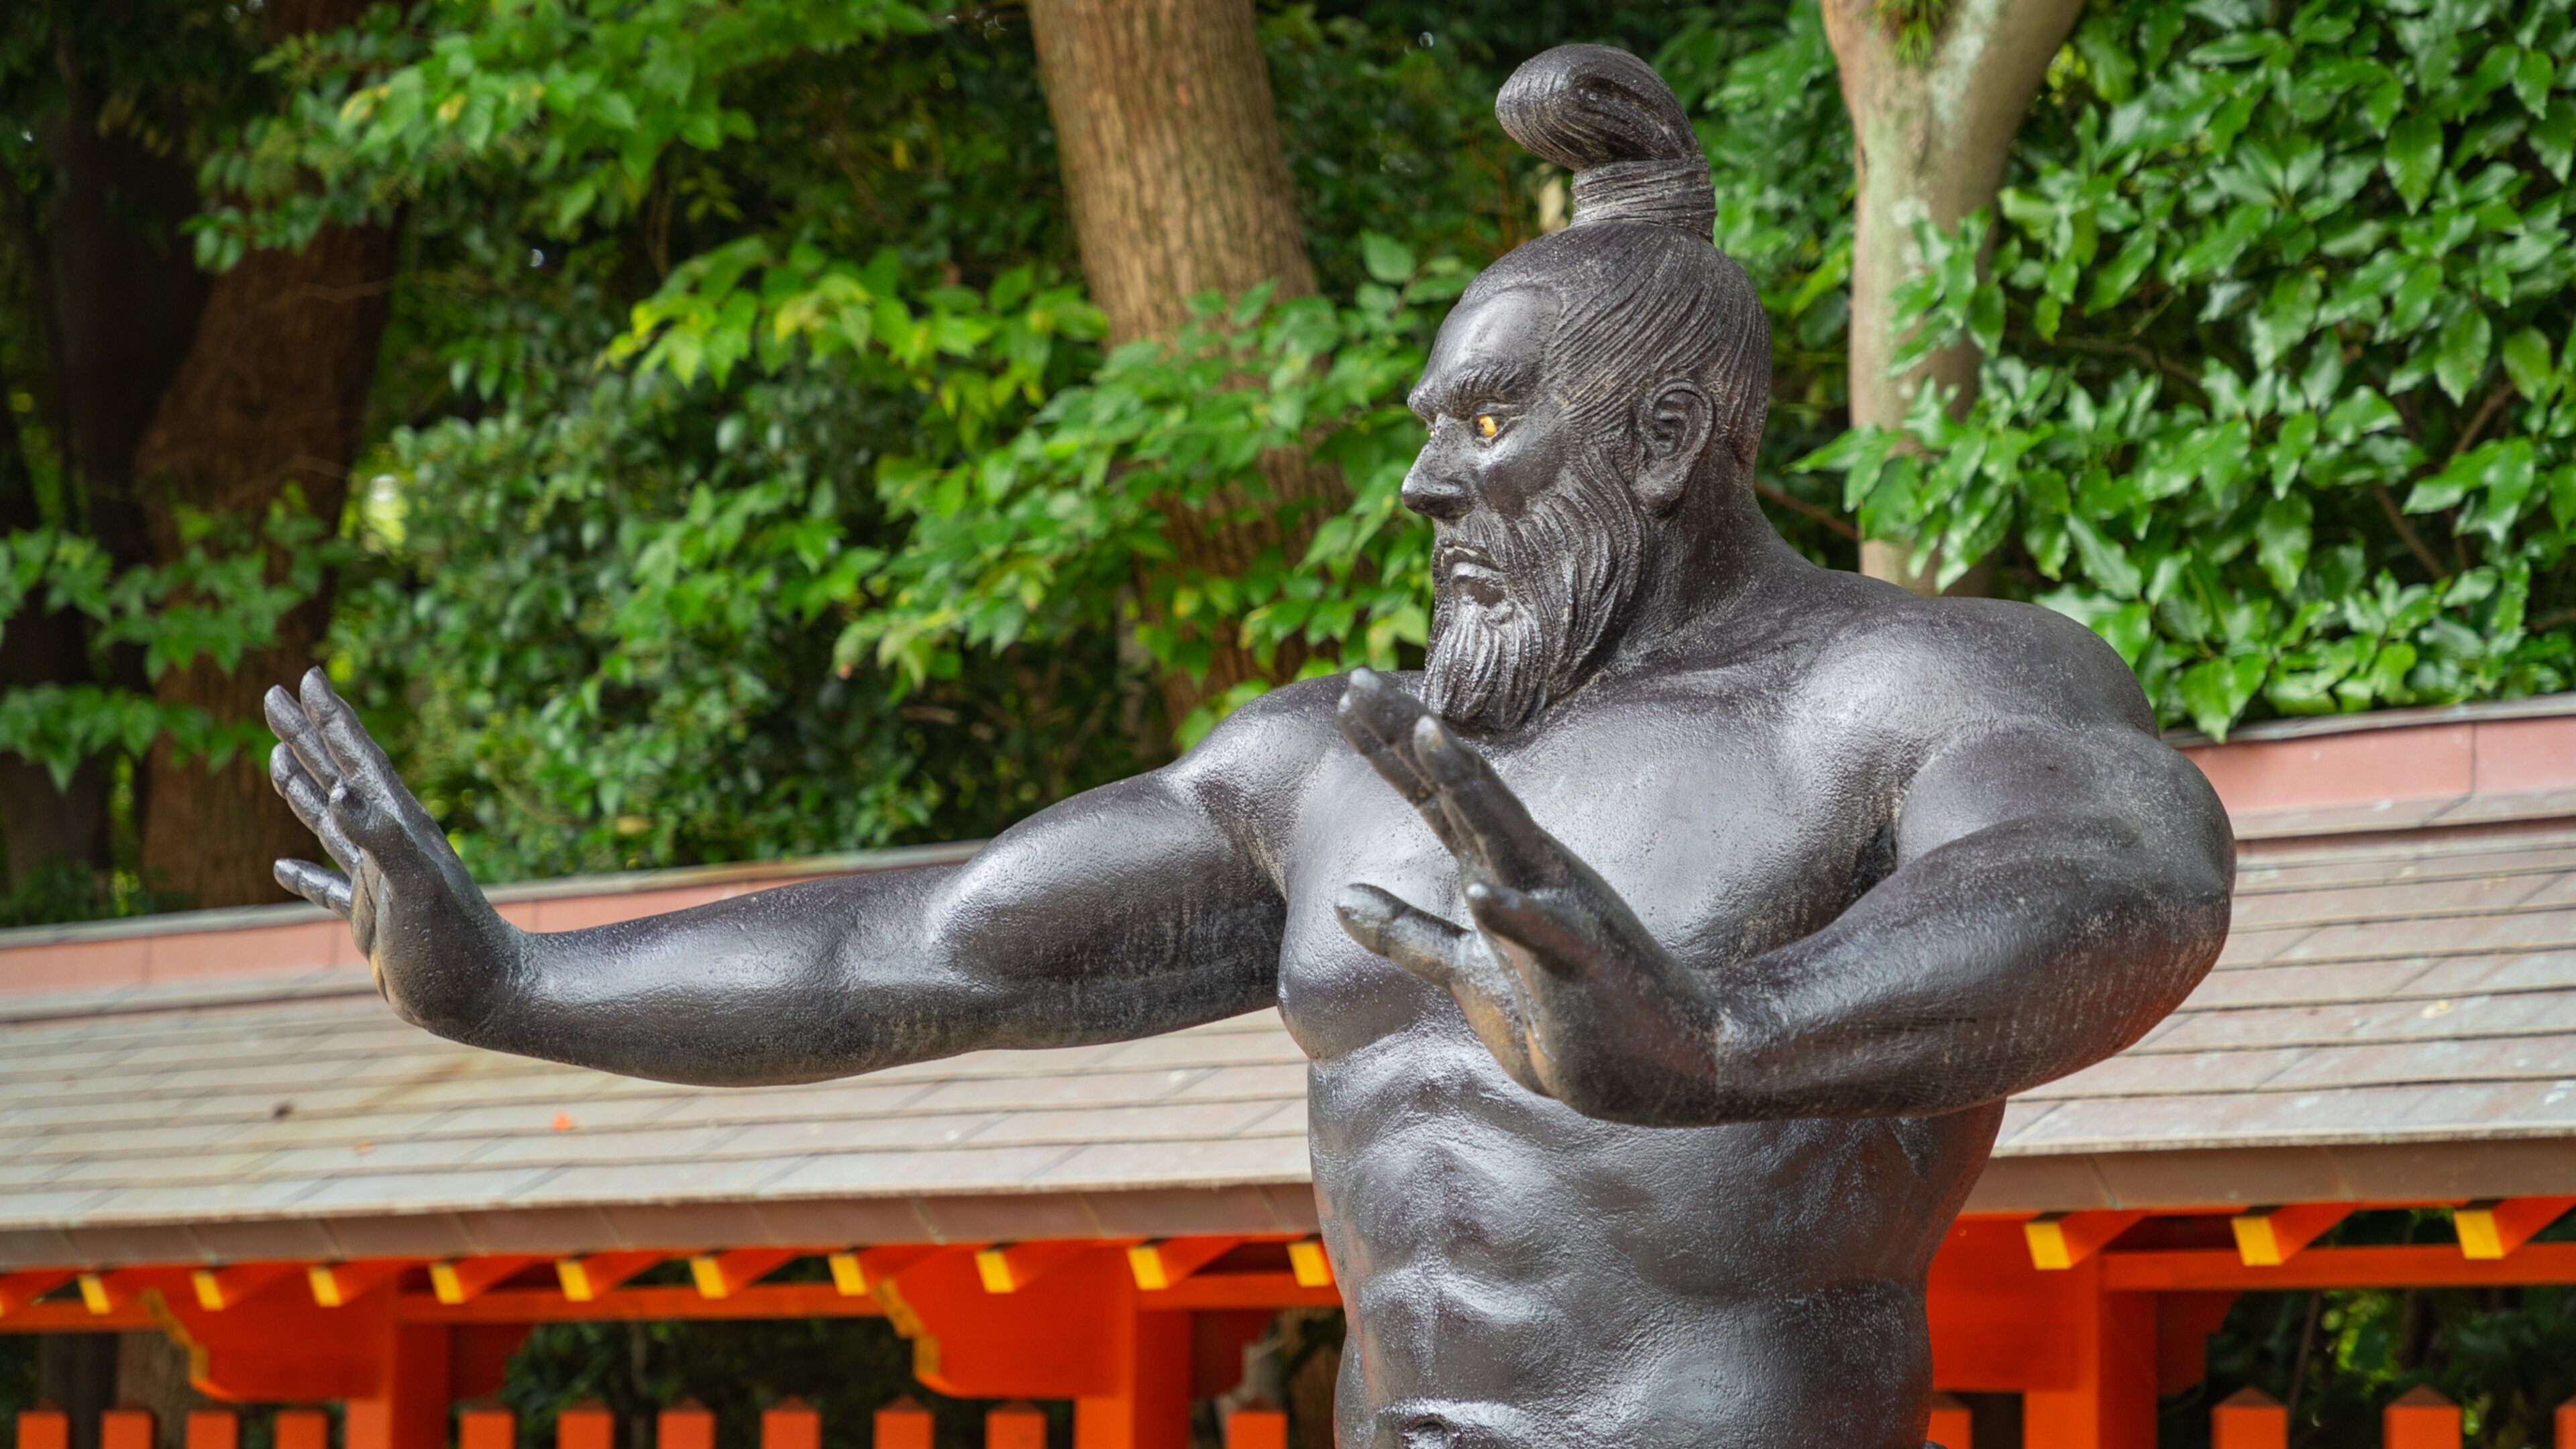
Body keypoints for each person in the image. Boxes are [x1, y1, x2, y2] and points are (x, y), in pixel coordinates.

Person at [267, 44, 2232, 1449]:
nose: (1422, 490)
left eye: (1483, 427)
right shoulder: (1334, 769)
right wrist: (512, 984)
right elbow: (921, 951)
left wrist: (1723, 1035)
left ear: (1659, 440)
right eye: (1426, 431)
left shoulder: (1889, 691)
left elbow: (2127, 880)